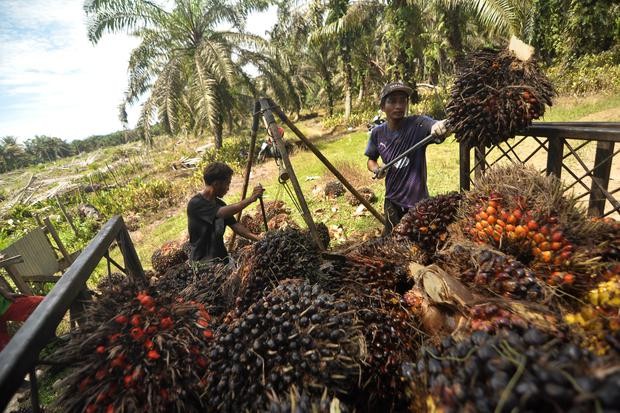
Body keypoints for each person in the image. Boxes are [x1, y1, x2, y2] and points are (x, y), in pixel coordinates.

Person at [365, 81, 450, 235]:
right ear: (383, 107)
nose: (398, 106)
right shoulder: (377, 133)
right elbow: (371, 159)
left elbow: (434, 126)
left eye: (402, 101)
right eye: (392, 101)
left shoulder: (417, 124)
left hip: (418, 202)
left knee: (420, 241)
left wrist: (440, 127)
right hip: (392, 200)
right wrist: (377, 169)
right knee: (392, 240)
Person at [187, 162, 264, 265]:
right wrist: (251, 199)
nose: (228, 188)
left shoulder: (219, 204)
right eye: (227, 183)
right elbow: (221, 213)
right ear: (216, 184)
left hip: (222, 260)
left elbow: (236, 226)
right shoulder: (196, 204)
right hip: (203, 263)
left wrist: (259, 239)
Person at [0, 283, 44, 351]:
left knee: (43, 302)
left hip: (6, 304)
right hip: (6, 306)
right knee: (5, 351)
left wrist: (5, 293)